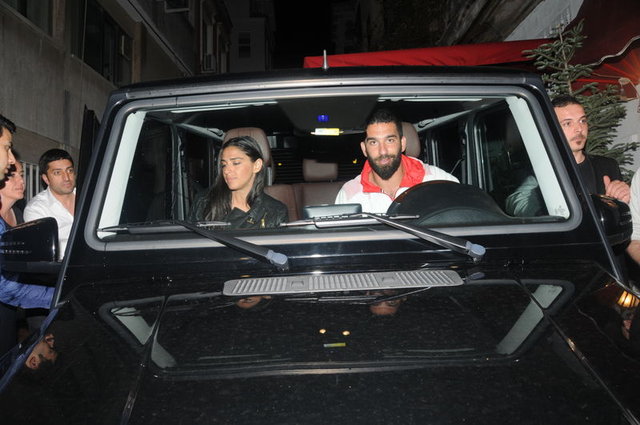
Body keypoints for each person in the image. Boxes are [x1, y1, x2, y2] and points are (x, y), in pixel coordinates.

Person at [335, 108, 458, 213]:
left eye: (390, 140)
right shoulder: (349, 195)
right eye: (373, 142)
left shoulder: (438, 181)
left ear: (402, 143)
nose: (383, 151)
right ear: (364, 149)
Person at [0, 115, 54, 311]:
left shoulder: (21, 215)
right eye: (6, 148)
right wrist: (60, 296)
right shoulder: (35, 209)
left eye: (21, 175)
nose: (11, 159)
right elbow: (6, 287)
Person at [192, 136, 288, 228]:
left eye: (236, 163)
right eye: (224, 165)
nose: (226, 170)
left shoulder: (275, 211)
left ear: (257, 166)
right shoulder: (204, 202)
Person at [552, 94, 630, 203]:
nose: (579, 129)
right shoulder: (545, 172)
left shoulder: (608, 166)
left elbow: (621, 209)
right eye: (568, 123)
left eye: (582, 121)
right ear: (551, 129)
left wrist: (623, 198)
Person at [24, 149, 76, 256]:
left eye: (69, 170)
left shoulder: (90, 197)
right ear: (46, 179)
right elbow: (44, 249)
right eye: (57, 173)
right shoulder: (36, 209)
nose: (66, 178)